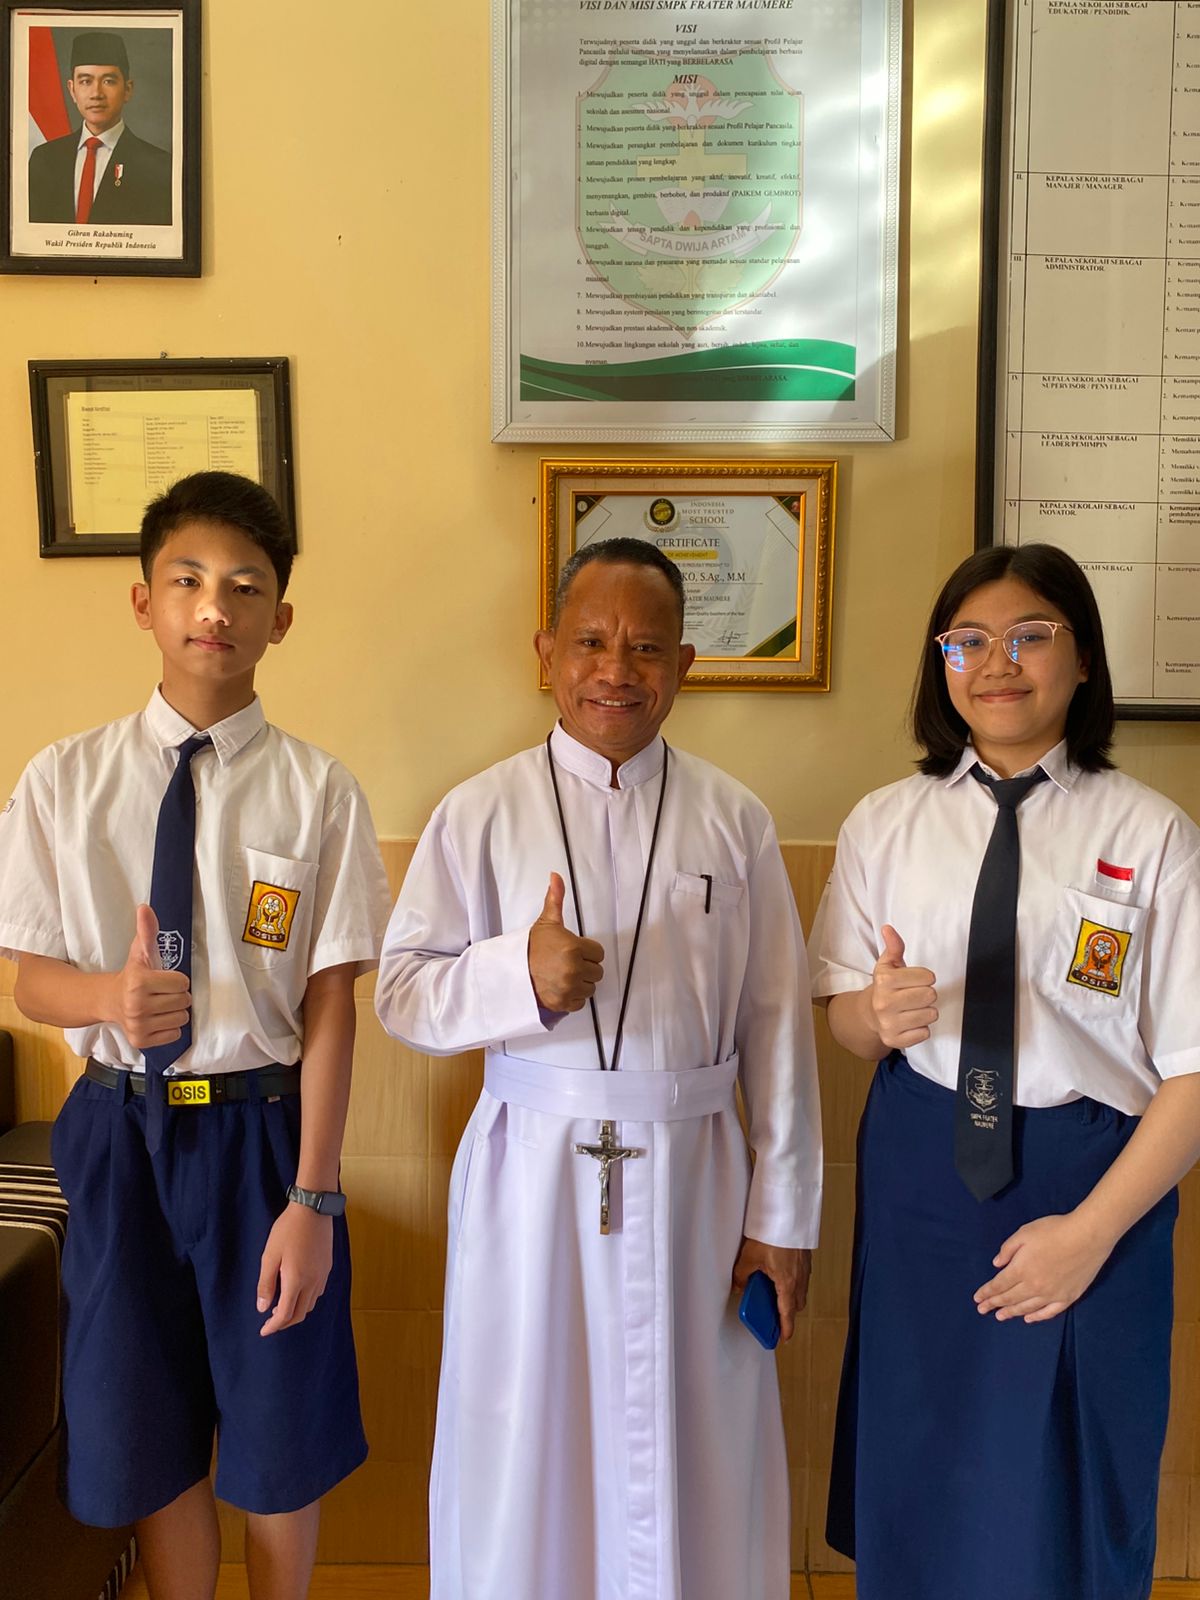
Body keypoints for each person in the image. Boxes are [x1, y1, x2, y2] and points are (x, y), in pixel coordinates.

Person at [375, 538, 822, 1600]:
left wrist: (783, 1218)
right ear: (546, 653)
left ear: (686, 665)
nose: (616, 670)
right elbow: (402, 994)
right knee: (524, 1432)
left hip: (698, 1177)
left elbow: (778, 1032)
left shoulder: (736, 818)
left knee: (700, 1432)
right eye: (590, 642)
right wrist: (514, 977)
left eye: (646, 647)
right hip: (530, 1170)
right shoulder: (478, 812)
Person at [0, 472, 391, 1600]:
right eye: (187, 580)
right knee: (149, 1424)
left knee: (279, 1427)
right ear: (144, 602)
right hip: (117, 1135)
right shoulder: (63, 780)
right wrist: (107, 999)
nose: (214, 606)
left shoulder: (318, 791)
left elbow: (330, 1004)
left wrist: (313, 1197)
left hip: (262, 1137)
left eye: (245, 586)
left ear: (281, 617)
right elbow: (29, 981)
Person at [810, 542, 1200, 1600]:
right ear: (941, 662)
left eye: (1031, 635)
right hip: (923, 1176)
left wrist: (1090, 1234)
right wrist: (873, 1015)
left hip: (1090, 1183)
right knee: (922, 1454)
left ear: (1084, 658)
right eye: (968, 641)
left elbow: (1193, 1074)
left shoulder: (1152, 834)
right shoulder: (885, 822)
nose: (998, 662)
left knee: (1072, 1478)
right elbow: (844, 1018)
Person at [28, 30, 171, 225]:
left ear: (127, 89)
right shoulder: (44, 159)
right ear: (72, 90)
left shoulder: (159, 167)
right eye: (85, 81)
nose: (96, 93)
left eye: (108, 81)